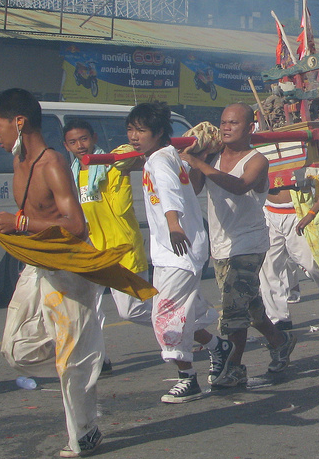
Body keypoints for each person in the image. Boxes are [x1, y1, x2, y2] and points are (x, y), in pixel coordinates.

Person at [0, 88, 105, 457]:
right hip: (38, 265)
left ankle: (84, 433)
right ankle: (78, 350)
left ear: (19, 122)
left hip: (69, 269)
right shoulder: (19, 160)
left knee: (71, 361)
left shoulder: (52, 163)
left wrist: (20, 222)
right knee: (15, 350)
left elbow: (76, 226)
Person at [180, 103, 295, 389]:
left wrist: (200, 164)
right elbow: (195, 187)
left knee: (232, 312)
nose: (227, 128)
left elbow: (240, 185)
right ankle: (279, 341)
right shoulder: (214, 157)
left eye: (234, 123)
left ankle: (234, 367)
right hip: (221, 244)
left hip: (248, 244)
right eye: (223, 123)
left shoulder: (257, 160)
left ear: (250, 128)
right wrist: (198, 157)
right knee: (249, 305)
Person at [127, 102, 234, 403]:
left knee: (166, 317)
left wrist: (174, 226)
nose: (134, 136)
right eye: (131, 130)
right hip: (170, 251)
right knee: (185, 313)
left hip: (179, 249)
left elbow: (171, 193)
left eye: (141, 130)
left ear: (159, 132)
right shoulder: (169, 156)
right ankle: (218, 347)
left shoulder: (160, 161)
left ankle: (187, 378)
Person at [62, 120, 151, 374]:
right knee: (89, 309)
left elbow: (127, 156)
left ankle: (183, 326)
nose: (80, 146)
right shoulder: (74, 172)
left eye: (84, 139)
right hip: (94, 252)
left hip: (122, 249)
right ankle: (97, 359)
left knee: (132, 310)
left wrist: (120, 162)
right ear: (66, 146)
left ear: (94, 138)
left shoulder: (111, 163)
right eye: (73, 142)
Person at [260, 184, 319, 331]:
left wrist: (312, 213)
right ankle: (278, 318)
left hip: (300, 212)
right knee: (268, 268)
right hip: (268, 211)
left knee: (312, 264)